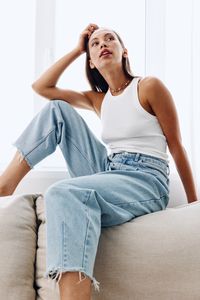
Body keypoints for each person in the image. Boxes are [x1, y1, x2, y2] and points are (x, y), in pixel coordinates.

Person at [0, 23, 198, 299]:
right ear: (91, 62)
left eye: (110, 39)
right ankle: (4, 187)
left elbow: (176, 146)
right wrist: (76, 49)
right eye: (95, 43)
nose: (103, 43)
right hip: (110, 170)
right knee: (57, 109)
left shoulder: (148, 86)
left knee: (62, 192)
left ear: (124, 51)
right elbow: (41, 87)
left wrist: (193, 204)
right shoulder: (98, 100)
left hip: (146, 179)